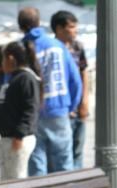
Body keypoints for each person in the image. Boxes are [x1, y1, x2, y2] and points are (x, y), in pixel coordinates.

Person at [18, 7, 82, 176]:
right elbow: (76, 81)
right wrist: (70, 106)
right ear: (39, 22)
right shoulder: (58, 46)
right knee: (64, 164)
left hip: (32, 114)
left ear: (20, 26)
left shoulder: (19, 48)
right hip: (58, 110)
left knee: (36, 164)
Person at [0, 41, 41, 181]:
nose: (2, 63)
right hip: (8, 137)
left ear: (10, 58)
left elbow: (30, 108)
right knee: (7, 178)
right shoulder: (14, 79)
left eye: (3, 58)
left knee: (17, 179)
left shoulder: (26, 78)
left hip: (17, 138)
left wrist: (19, 135)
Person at [52, 10, 89, 170]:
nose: (75, 31)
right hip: (60, 110)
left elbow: (83, 73)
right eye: (72, 27)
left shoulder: (78, 47)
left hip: (77, 108)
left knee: (77, 151)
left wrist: (84, 101)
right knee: (59, 153)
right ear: (59, 29)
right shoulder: (52, 49)